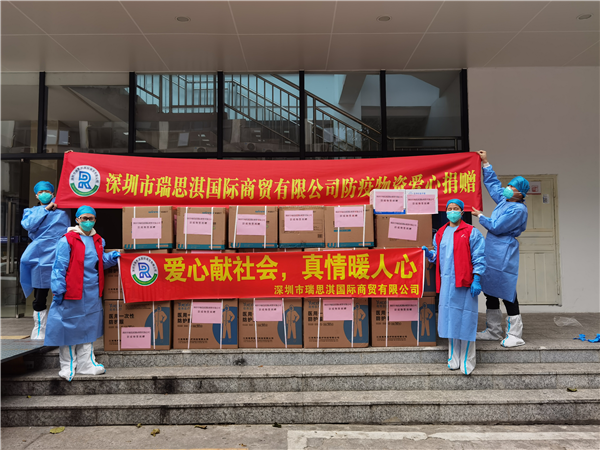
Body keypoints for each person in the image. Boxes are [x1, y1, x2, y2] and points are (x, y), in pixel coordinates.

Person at [45, 206, 120, 381]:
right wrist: (58, 289)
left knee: (89, 328)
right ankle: (68, 365)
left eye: (91, 218)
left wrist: (112, 258)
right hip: (72, 290)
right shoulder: (67, 240)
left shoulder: (98, 240)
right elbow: (59, 267)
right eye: (84, 218)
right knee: (69, 328)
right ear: (77, 220)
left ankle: (87, 364)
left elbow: (98, 262)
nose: (88, 221)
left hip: (92, 290)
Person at [472, 150, 529, 348]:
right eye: (509, 185)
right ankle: (493, 330)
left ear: (521, 193)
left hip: (504, 251)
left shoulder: (518, 209)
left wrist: (480, 216)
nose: (508, 188)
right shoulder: (505, 201)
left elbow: (496, 227)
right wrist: (485, 163)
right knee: (490, 291)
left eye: (513, 187)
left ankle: (515, 334)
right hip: (492, 250)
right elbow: (494, 185)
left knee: (507, 291)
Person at [422, 199, 486, 375]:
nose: (452, 211)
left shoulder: (471, 232)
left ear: (462, 212)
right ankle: (453, 357)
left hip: (465, 283)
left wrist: (477, 278)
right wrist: (430, 255)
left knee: (466, 320)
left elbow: (479, 257)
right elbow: (439, 256)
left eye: (455, 208)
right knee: (451, 320)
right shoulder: (440, 233)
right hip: (447, 285)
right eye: (449, 209)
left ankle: (468, 359)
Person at [20, 181, 70, 340]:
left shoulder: (63, 210)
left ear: (53, 194)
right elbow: (28, 225)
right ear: (36, 195)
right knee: (40, 295)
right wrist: (46, 209)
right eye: (40, 192)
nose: (44, 194)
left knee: (61, 293)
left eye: (47, 191)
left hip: (60, 254)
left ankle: (59, 328)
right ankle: (39, 329)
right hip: (39, 256)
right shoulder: (31, 212)